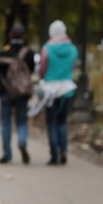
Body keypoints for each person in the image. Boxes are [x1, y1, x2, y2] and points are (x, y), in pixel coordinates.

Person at [0, 23, 36, 164]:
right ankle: (22, 141)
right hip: (22, 94)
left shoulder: (4, 53)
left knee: (5, 123)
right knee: (21, 121)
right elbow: (32, 72)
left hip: (6, 92)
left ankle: (7, 155)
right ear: (24, 36)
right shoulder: (29, 54)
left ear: (10, 35)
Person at [39, 19, 78, 165]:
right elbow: (72, 68)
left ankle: (54, 154)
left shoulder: (47, 49)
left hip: (50, 90)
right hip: (67, 89)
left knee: (52, 123)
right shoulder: (73, 49)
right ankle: (64, 150)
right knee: (62, 122)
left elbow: (42, 69)